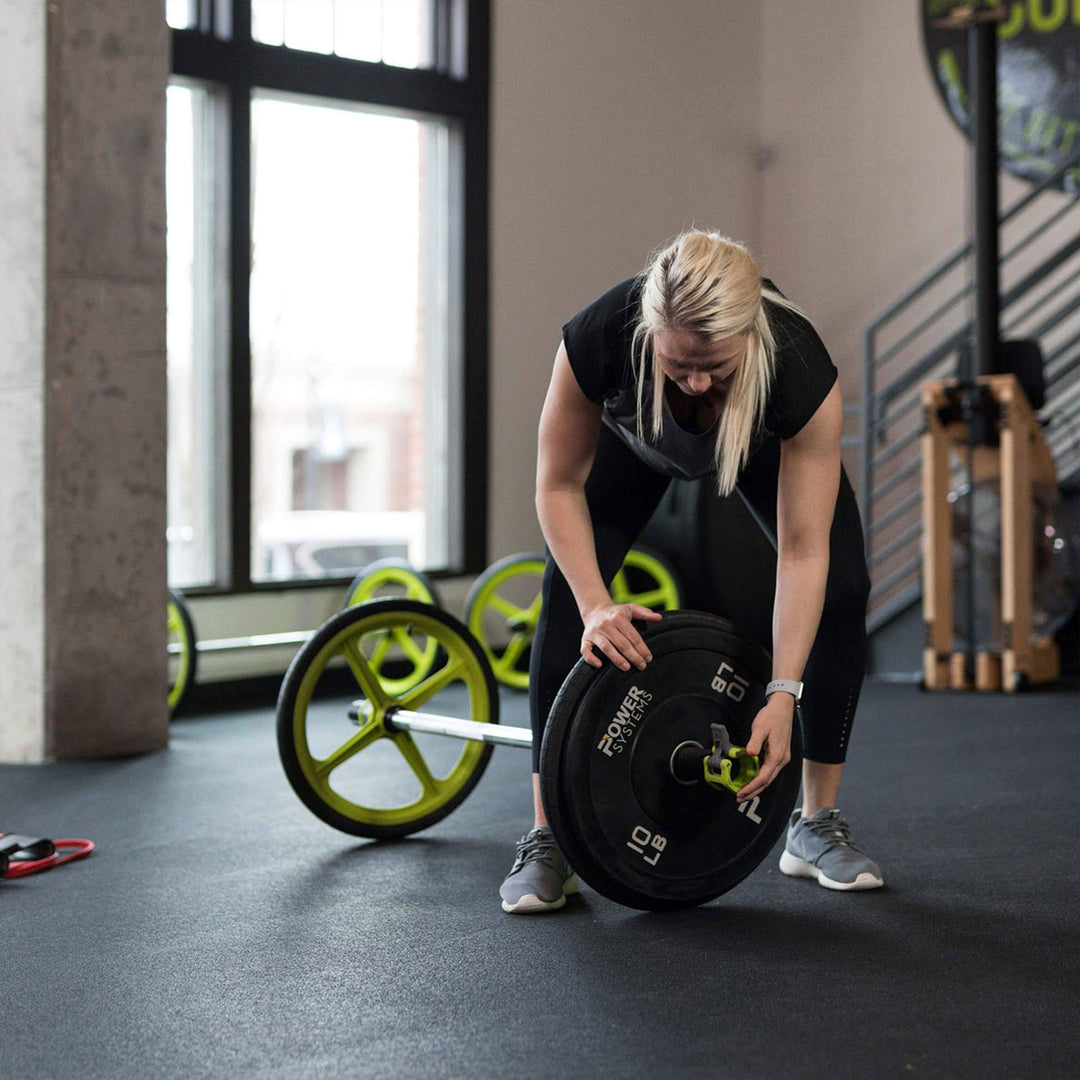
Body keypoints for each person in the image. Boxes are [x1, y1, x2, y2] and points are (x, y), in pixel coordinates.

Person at [498, 230, 884, 914]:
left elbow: (802, 550)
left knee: (846, 587)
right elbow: (557, 486)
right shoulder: (598, 338)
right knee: (566, 593)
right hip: (632, 449)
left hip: (756, 448)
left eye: (715, 366)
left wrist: (782, 692)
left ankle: (814, 822)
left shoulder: (796, 367)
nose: (698, 382)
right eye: (679, 364)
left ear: (750, 336)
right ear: (651, 333)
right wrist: (595, 605)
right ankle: (549, 838)